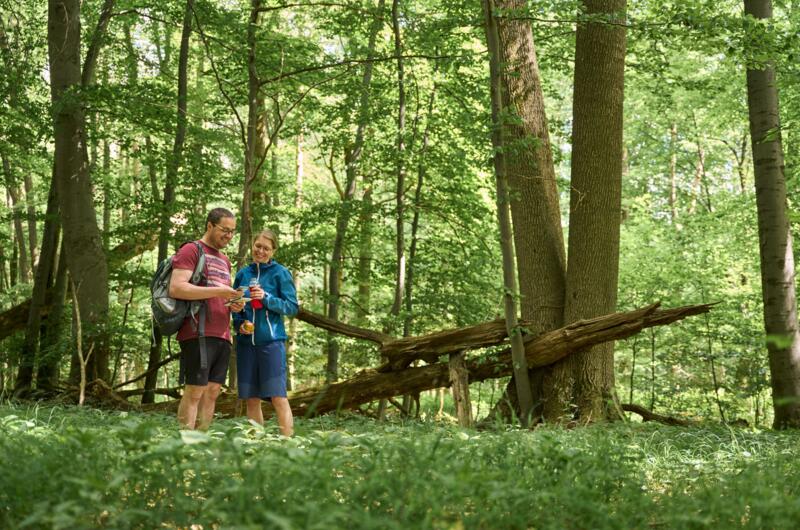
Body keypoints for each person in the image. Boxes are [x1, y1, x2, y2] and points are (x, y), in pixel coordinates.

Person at [170, 207, 245, 430]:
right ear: (210, 226)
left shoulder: (225, 260)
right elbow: (177, 288)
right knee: (194, 391)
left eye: (232, 232)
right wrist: (219, 291)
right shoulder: (191, 250)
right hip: (197, 330)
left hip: (222, 333)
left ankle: (201, 443)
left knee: (212, 393)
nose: (229, 236)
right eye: (224, 230)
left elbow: (219, 296)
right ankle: (186, 443)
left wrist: (234, 304)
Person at [232, 229, 298, 436]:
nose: (260, 251)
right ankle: (256, 444)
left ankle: (287, 447)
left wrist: (267, 297)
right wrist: (239, 322)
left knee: (278, 396)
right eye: (258, 246)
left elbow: (292, 307)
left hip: (271, 342)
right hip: (246, 344)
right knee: (251, 398)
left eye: (266, 248)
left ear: (273, 251)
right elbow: (236, 306)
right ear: (253, 246)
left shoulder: (280, 273)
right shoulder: (243, 274)